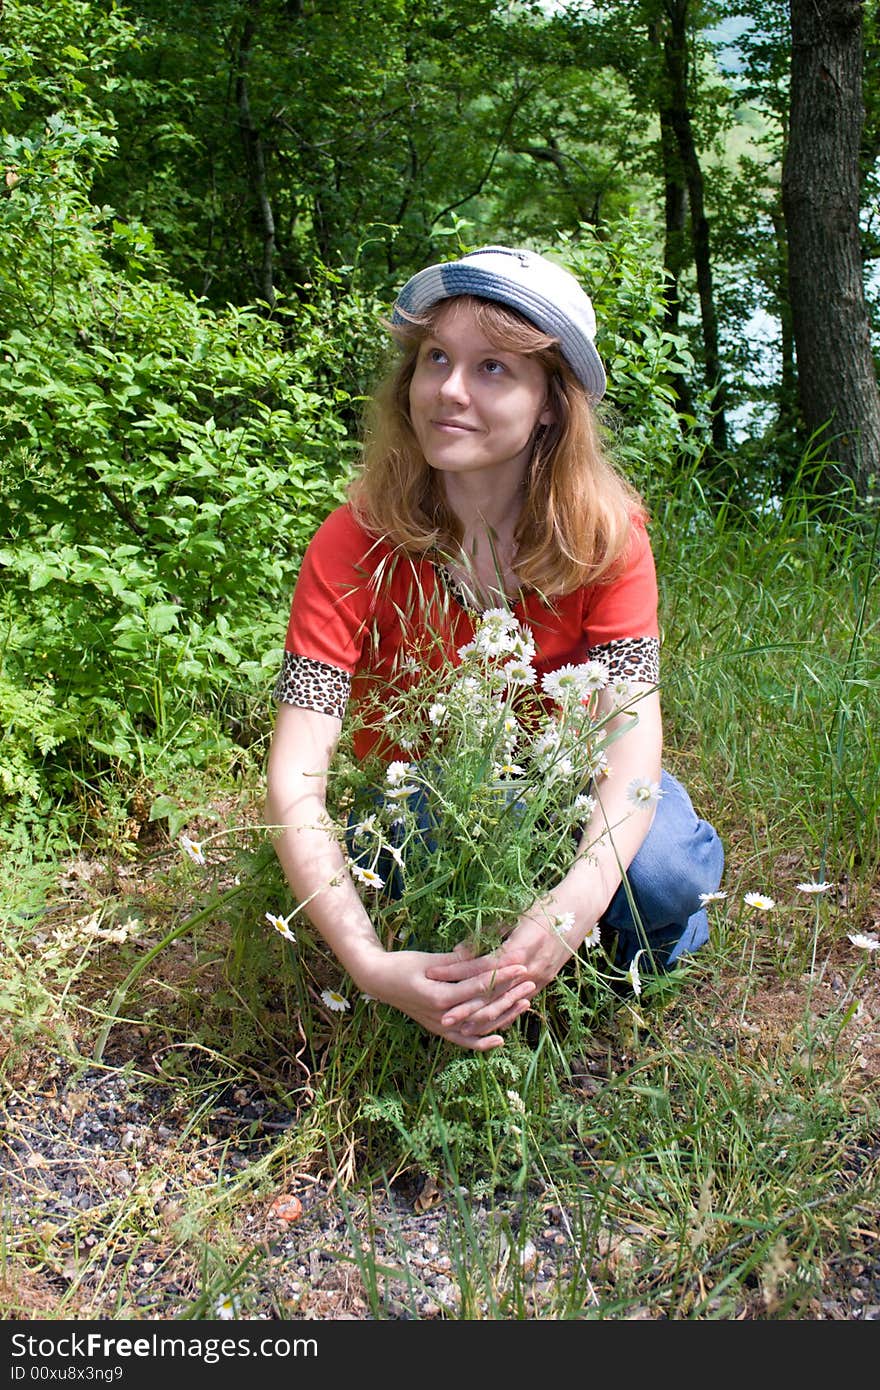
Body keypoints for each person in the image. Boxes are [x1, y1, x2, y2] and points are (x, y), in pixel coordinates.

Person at [265, 244, 724, 1053]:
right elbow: (296, 776)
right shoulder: (353, 543)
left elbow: (632, 739)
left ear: (552, 403)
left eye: (493, 370)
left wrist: (566, 909)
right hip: (422, 815)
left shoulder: (606, 537)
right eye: (436, 357)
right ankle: (479, 969)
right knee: (430, 869)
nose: (448, 389)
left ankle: (618, 955)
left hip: (569, 789)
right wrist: (369, 964)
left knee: (664, 874)